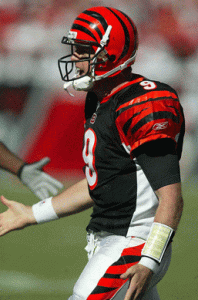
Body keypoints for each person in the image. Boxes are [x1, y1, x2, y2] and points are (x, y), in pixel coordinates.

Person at [0, 7, 185, 300]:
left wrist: (149, 259)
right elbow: (101, 184)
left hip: (133, 245)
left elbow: (171, 197)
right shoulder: (100, 98)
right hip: (115, 242)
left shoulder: (143, 103)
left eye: (83, 50)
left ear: (108, 54)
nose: (74, 57)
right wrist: (31, 214)